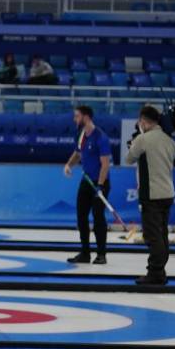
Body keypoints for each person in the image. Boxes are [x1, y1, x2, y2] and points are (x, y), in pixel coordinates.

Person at [126, 105, 175, 286]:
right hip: (167, 192)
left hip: (151, 194)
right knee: (162, 234)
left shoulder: (143, 139)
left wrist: (136, 140)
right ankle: (160, 270)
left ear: (144, 121)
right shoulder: (170, 141)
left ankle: (155, 273)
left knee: (152, 235)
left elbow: (129, 158)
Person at [63, 105, 111, 266]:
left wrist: (100, 185)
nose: (74, 119)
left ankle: (101, 254)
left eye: (77, 116)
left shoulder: (100, 137)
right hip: (86, 181)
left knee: (98, 218)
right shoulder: (82, 134)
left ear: (86, 117)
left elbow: (105, 164)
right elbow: (78, 154)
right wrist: (69, 165)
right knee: (81, 217)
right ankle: (85, 253)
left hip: (99, 182)